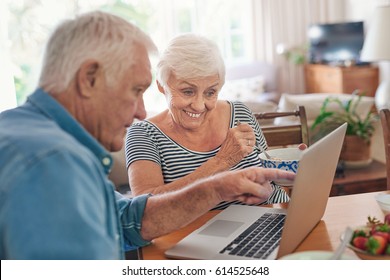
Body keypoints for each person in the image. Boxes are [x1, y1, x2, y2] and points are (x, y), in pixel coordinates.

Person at [0, 11, 295, 260]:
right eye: (135, 91)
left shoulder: (32, 135)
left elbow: (126, 220)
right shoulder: (51, 161)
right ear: (89, 79)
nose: (142, 111)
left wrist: (218, 188)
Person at [126, 34, 291, 210]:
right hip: (189, 234)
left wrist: (289, 170)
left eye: (210, 92)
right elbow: (144, 209)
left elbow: (272, 182)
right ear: (161, 85)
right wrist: (221, 161)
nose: (199, 106)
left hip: (260, 227)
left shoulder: (240, 113)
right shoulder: (143, 134)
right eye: (188, 91)